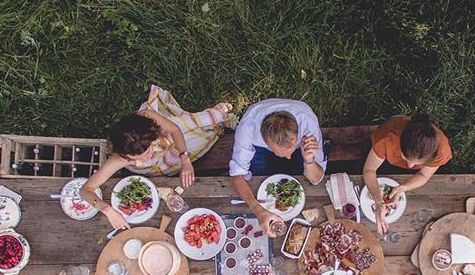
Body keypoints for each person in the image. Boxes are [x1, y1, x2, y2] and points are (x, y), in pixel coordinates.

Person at [81, 85, 234, 230]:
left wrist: (185, 159)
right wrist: (106, 209)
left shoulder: (147, 118)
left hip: (167, 141)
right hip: (156, 166)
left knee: (197, 128)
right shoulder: (118, 159)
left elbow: (174, 130)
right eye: (138, 157)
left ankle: (218, 116)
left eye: (147, 152)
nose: (147, 158)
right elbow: (86, 190)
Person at [229, 99, 327, 237]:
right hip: (261, 148)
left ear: (296, 136)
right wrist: (258, 210)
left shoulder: (308, 124)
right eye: (281, 153)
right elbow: (236, 175)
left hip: (301, 145)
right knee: (257, 177)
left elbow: (316, 179)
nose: (288, 157)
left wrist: (309, 160)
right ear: (265, 140)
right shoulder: (248, 128)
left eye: (289, 152)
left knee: (303, 174)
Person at [362, 115, 453, 233]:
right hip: (387, 155)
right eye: (406, 158)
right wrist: (379, 202)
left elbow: (424, 175)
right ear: (399, 144)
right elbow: (369, 170)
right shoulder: (387, 139)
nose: (410, 166)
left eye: (418, 163)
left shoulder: (441, 151)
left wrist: (402, 188)